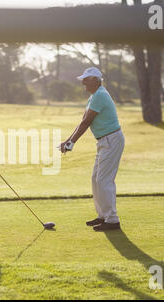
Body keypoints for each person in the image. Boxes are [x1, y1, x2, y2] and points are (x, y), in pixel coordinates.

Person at [59, 67, 125, 231]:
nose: (83, 82)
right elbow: (82, 121)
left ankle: (112, 220)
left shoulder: (100, 95)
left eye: (86, 79)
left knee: (104, 180)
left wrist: (71, 142)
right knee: (96, 179)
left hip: (111, 139)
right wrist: (68, 141)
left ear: (96, 80)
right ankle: (103, 216)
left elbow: (86, 122)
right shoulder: (94, 96)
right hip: (104, 141)